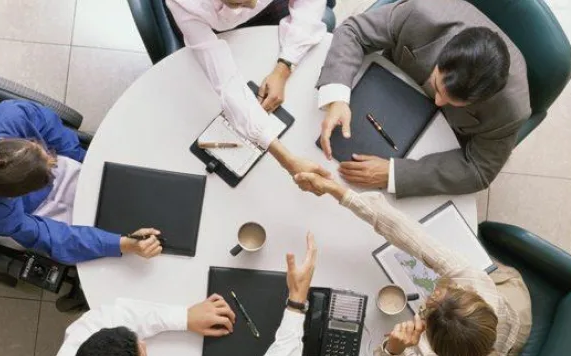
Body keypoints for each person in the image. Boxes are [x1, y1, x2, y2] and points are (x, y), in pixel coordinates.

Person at [294, 172, 532, 355]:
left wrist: (392, 349)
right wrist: (339, 191)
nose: (435, 291)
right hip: (513, 310)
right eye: (449, 291)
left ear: (428, 337)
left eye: (429, 304)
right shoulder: (476, 283)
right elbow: (411, 235)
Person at [316, 0, 531, 198]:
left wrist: (393, 175)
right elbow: (353, 31)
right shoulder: (419, 13)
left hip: (440, 140)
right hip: (387, 92)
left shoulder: (511, 110)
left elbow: (479, 170)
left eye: (451, 101)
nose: (437, 101)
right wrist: (337, 96)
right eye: (437, 86)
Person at [0, 100, 163, 264]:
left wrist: (90, 164)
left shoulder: (14, 115)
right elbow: (50, 236)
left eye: (46, 154)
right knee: (90, 246)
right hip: (29, 212)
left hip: (2, 165)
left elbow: (52, 129)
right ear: (13, 197)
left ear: (18, 142)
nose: (54, 161)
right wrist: (121, 244)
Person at [57, 232, 318, 356]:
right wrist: (296, 303)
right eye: (142, 351)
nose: (145, 345)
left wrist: (184, 317)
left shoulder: (77, 346)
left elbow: (114, 316)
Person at [167, 0, 331, 180]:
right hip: (210, 29)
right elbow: (226, 81)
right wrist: (287, 160)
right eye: (240, 3)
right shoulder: (184, 4)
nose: (252, 5)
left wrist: (285, 65)